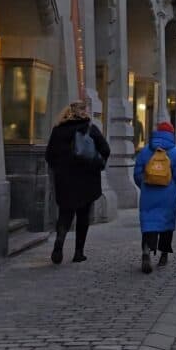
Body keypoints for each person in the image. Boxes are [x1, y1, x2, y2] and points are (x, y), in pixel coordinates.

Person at [45, 101, 110, 264]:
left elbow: (49, 155)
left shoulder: (58, 130)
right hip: (87, 178)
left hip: (65, 180)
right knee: (83, 215)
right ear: (84, 112)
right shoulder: (90, 129)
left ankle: (59, 242)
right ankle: (78, 252)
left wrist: (60, 168)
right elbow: (106, 149)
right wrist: (97, 162)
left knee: (65, 214)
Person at [133, 122, 176, 273]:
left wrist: (143, 185)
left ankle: (146, 249)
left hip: (148, 192)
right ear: (172, 134)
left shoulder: (145, 151)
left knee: (149, 222)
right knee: (166, 223)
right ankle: (163, 255)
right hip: (169, 193)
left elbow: (137, 173)